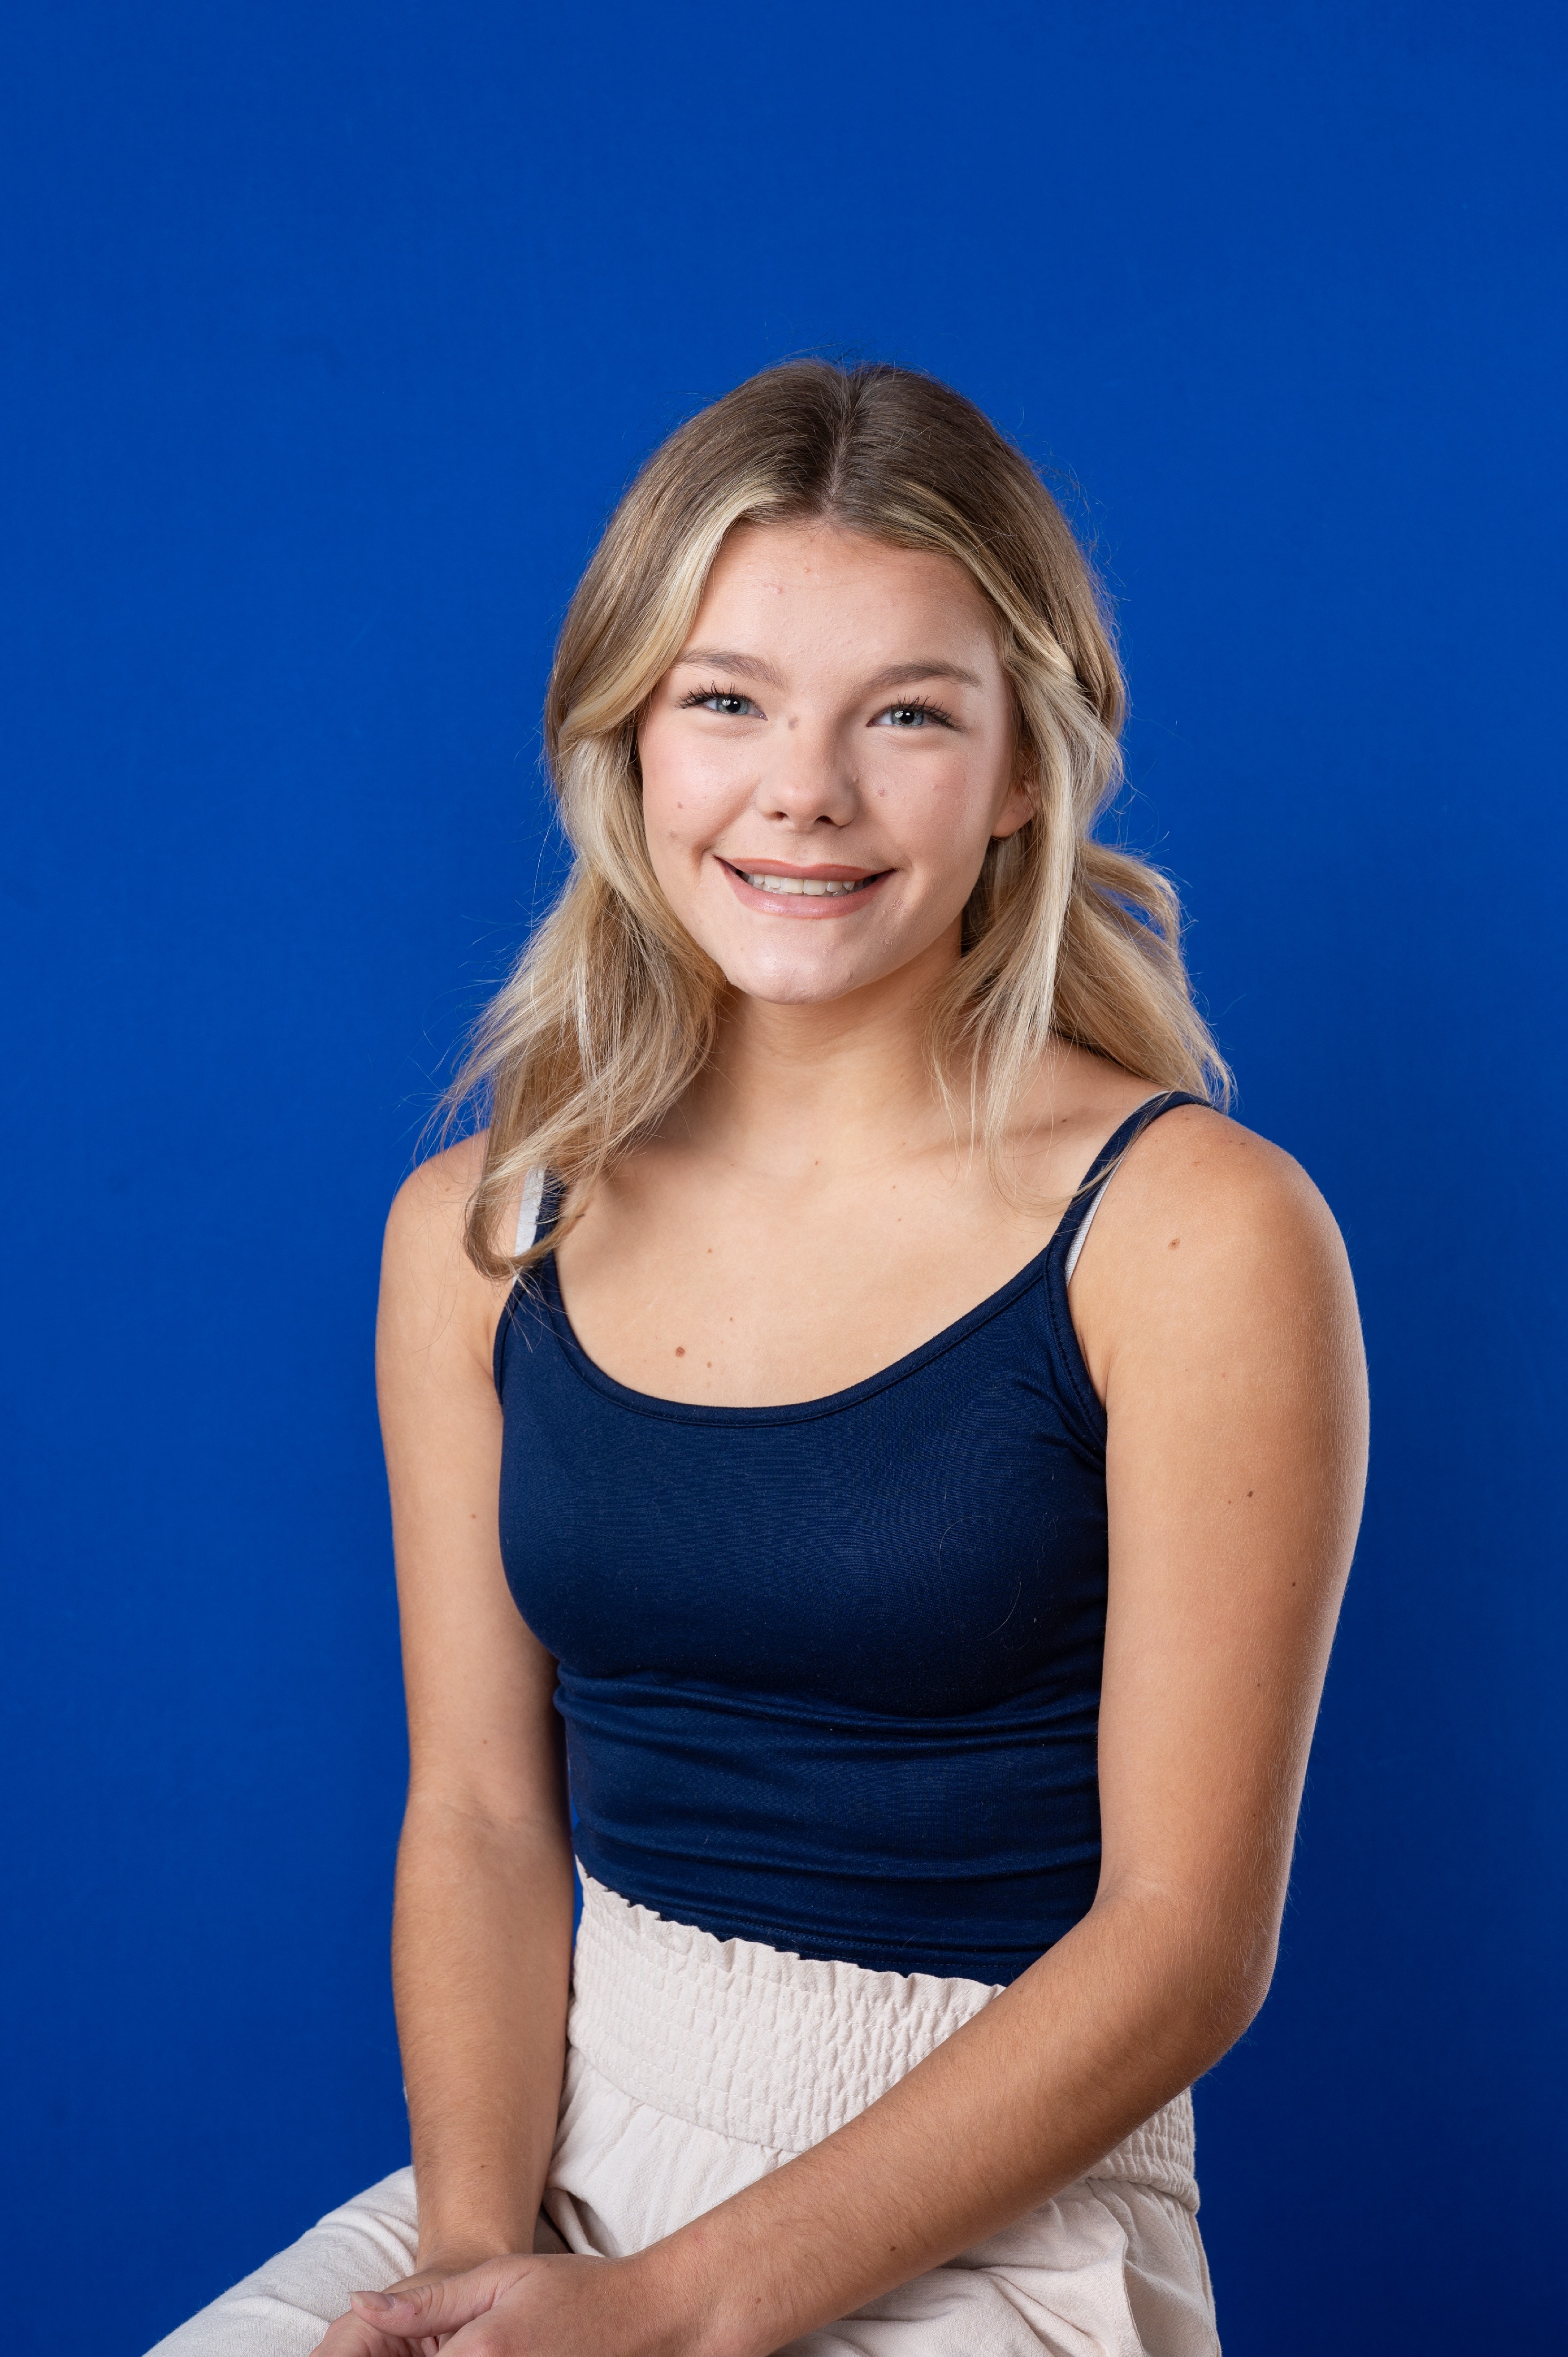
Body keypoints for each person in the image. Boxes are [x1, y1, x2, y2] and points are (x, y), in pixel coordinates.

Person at [152, 361, 1367, 2357]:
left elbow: (1184, 1941)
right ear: (625, 737)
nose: (805, 790)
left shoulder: (1197, 1235)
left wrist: (668, 2311)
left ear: (1027, 768)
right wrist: (476, 2262)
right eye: (726, 700)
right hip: (572, 2162)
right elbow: (479, 1811)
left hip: (1001, 2213)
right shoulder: (480, 1232)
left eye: (908, 713)